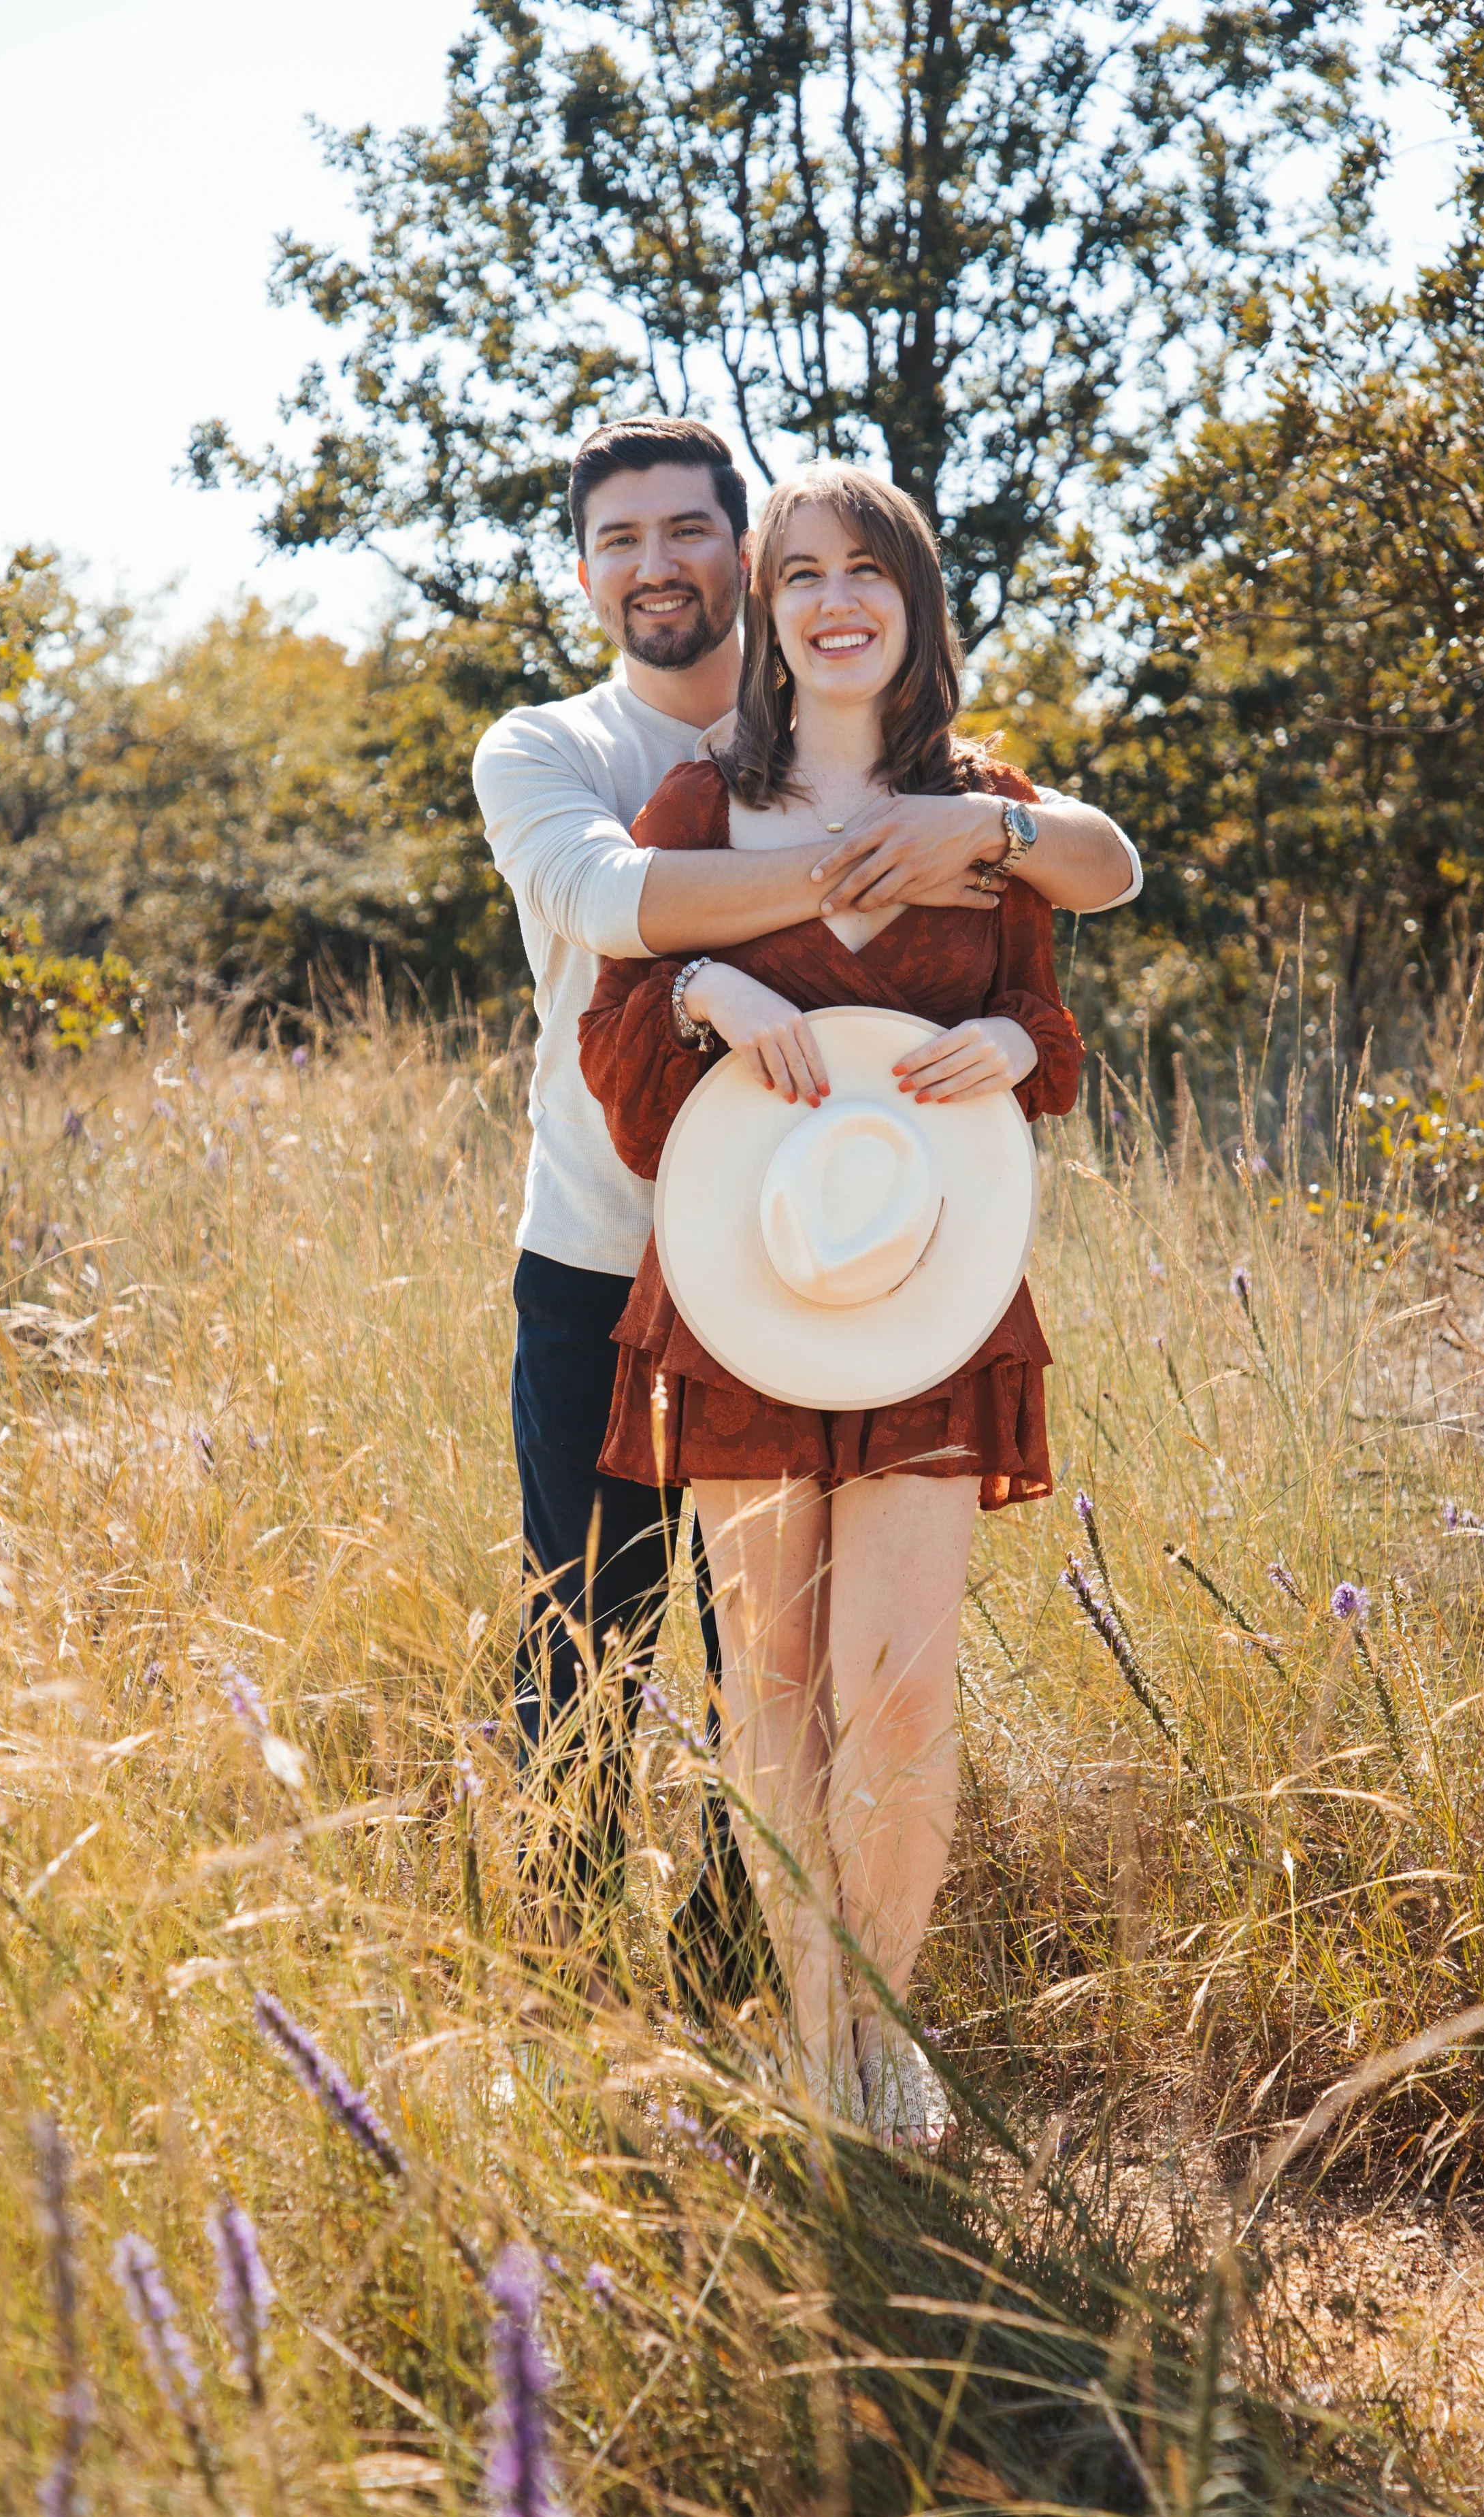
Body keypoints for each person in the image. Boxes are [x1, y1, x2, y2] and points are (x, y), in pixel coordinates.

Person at [471, 418, 1140, 1998]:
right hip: (613, 1267)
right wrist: (846, 877)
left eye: (688, 533)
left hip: (887, 1281)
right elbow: (612, 916)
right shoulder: (569, 757)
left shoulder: (962, 794)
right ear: (586, 570)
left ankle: (776, 2006)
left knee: (827, 1681)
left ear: (734, 559)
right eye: (619, 541)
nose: (658, 565)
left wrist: (982, 829)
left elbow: (1090, 901)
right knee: (593, 1640)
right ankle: (563, 2005)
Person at [579, 463, 1088, 2137]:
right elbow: (620, 1045)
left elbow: (1046, 1019)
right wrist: (709, 987)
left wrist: (1015, 1045)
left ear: (912, 600)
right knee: (772, 1687)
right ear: (769, 611)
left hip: (926, 1300)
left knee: (903, 1687)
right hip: (743, 1294)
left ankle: (882, 2028)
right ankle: (809, 2047)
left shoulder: (980, 805)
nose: (831, 599)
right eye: (799, 574)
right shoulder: (695, 806)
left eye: (865, 570)